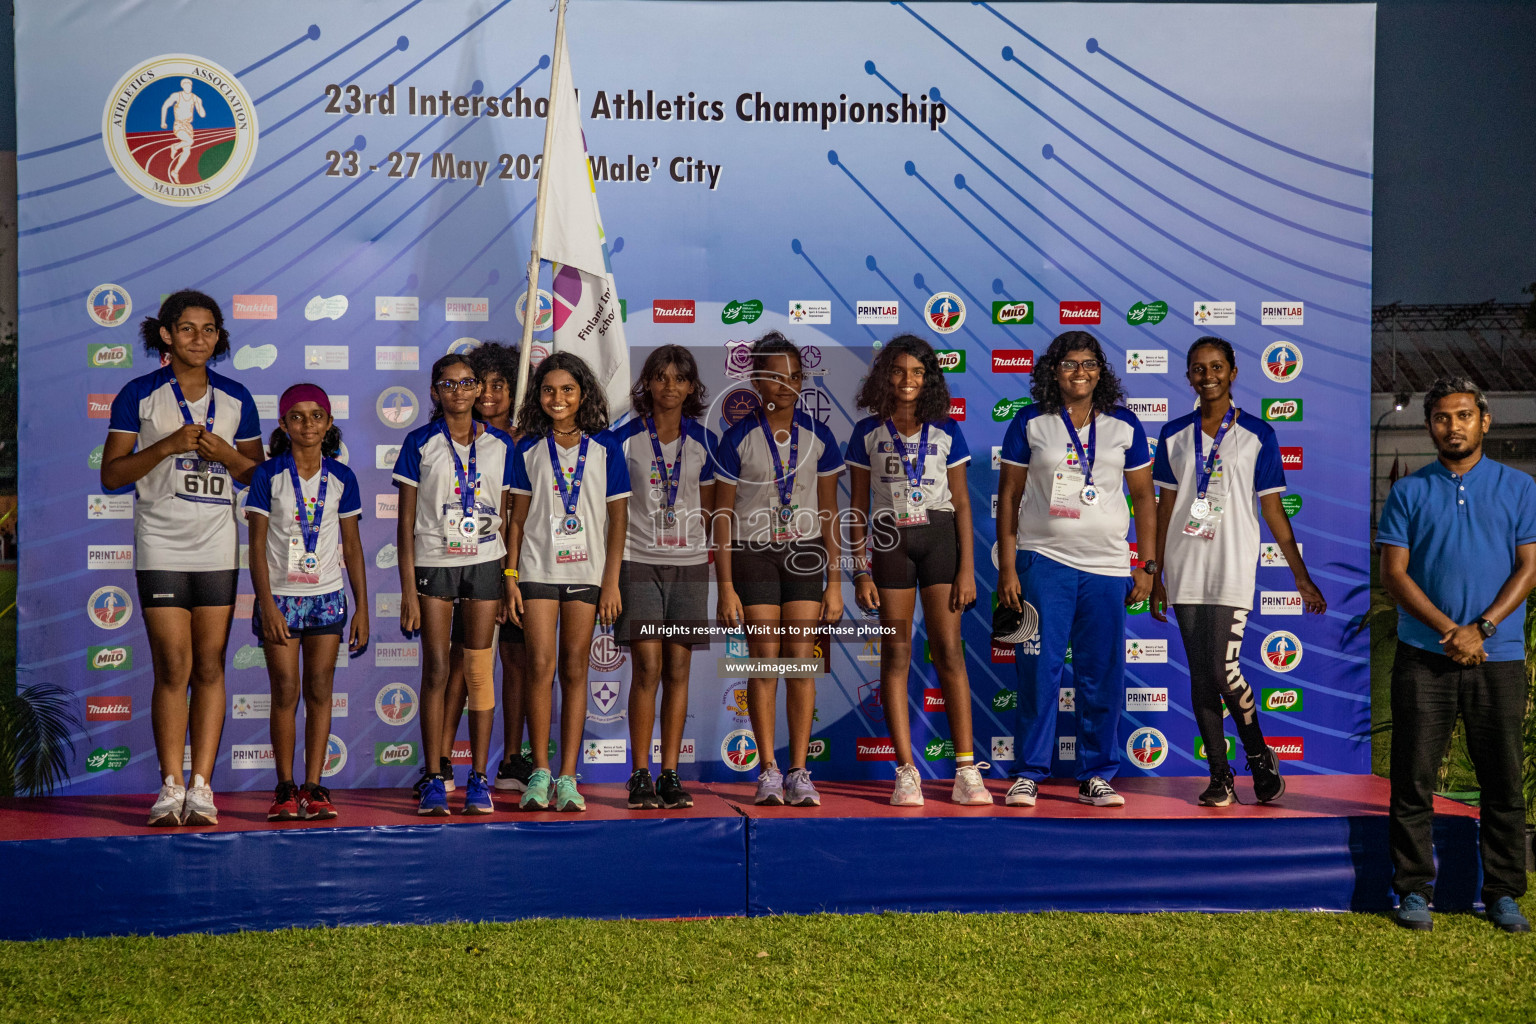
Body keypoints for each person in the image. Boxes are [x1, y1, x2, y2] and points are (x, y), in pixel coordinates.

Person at [1377, 376, 1536, 933]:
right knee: (1413, 778)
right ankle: (1413, 889)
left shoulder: (1519, 488)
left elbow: (1530, 566)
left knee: (1502, 780)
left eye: (1464, 415)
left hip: (1500, 655)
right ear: (1430, 427)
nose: (1454, 426)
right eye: (1443, 418)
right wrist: (1451, 630)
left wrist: (1484, 628)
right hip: (1425, 655)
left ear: (1484, 422)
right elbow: (1393, 574)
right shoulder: (1409, 492)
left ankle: (1503, 894)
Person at [102, 290, 265, 826]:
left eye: (210, 329)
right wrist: (169, 446)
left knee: (212, 663)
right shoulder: (140, 394)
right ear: (167, 335)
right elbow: (112, 475)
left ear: (220, 336)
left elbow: (258, 479)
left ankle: (202, 785)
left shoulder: (237, 395)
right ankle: (170, 785)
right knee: (174, 665)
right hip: (161, 544)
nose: (200, 338)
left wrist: (227, 455)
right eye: (188, 328)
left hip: (218, 545)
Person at [1149, 337, 1325, 806]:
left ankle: (1258, 754)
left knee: (1224, 672)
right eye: (1198, 368)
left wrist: (1300, 575)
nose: (1208, 376)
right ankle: (1220, 776)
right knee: (1201, 677)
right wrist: (1155, 574)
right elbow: (1164, 509)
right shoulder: (1173, 435)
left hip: (1231, 571)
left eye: (1216, 367)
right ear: (1188, 376)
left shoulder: (1258, 434)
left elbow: (1274, 512)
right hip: (1185, 572)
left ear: (1233, 372)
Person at [996, 331, 1156, 808]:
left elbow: (1146, 497)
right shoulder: (1031, 421)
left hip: (1107, 567)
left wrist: (1145, 565)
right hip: (1043, 562)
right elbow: (1008, 496)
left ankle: (1096, 774)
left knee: (1101, 673)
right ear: (1054, 371)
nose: (1079, 371)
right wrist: (1008, 565)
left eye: (1088, 363)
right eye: (1069, 364)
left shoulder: (1124, 424)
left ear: (1100, 371)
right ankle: (1028, 772)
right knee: (1038, 670)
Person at [846, 335, 989, 806]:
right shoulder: (867, 431)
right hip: (890, 545)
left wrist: (968, 568)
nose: (907, 381)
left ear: (929, 379)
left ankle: (966, 770)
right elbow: (857, 507)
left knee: (949, 649)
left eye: (917, 373)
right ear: (885, 375)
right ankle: (906, 771)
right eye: (898, 371)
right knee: (896, 653)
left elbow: (964, 504)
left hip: (940, 540)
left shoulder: (947, 428)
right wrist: (860, 572)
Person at [714, 332, 846, 808]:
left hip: (806, 555)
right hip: (753, 553)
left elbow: (831, 512)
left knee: (799, 660)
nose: (783, 385)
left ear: (801, 381)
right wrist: (725, 586)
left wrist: (836, 582)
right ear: (755, 380)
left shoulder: (820, 437)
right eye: (773, 376)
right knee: (766, 658)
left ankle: (798, 771)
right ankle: (768, 769)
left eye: (792, 376)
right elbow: (722, 518)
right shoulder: (737, 438)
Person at [392, 354, 517, 816]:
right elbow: (405, 524)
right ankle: (434, 774)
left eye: (468, 383)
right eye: (450, 384)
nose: (461, 392)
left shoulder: (502, 445)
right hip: (434, 564)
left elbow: (510, 516)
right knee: (438, 670)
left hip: (485, 563)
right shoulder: (420, 442)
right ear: (435, 392)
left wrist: (508, 579)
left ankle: (479, 777)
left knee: (479, 672)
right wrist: (408, 590)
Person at [506, 352, 631, 812]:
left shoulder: (606, 448)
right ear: (539, 397)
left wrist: (611, 582)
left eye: (568, 390)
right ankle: (539, 772)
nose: (558, 398)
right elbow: (516, 521)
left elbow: (618, 521)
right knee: (540, 668)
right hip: (537, 571)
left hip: (587, 574)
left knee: (575, 671)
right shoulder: (527, 449)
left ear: (584, 394)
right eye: (549, 390)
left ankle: (568, 776)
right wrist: (511, 577)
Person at [246, 385, 368, 821]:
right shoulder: (268, 475)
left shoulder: (343, 478)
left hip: (327, 598)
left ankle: (314, 787)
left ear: (329, 423)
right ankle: (284, 787)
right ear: (283, 424)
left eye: (316, 416)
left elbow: (352, 548)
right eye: (296, 416)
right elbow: (256, 548)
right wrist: (267, 605)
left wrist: (363, 609)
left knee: (320, 691)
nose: (307, 424)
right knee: (285, 692)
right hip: (279, 599)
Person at [612, 346, 716, 809]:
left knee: (678, 670)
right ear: (647, 384)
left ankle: (669, 773)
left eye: (679, 378)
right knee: (648, 668)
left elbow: (714, 511)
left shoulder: (706, 441)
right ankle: (639, 774)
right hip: (637, 561)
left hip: (691, 565)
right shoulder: (625, 439)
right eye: (661, 377)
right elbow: (610, 511)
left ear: (691, 387)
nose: (669, 386)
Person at [432, 342, 534, 795]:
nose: (489, 393)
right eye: (483, 383)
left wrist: (509, 574)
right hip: (468, 565)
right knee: (460, 662)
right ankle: (439, 761)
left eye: (500, 385)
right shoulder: (442, 439)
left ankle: (512, 759)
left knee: (515, 661)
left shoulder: (527, 440)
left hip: (522, 568)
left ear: (514, 391)